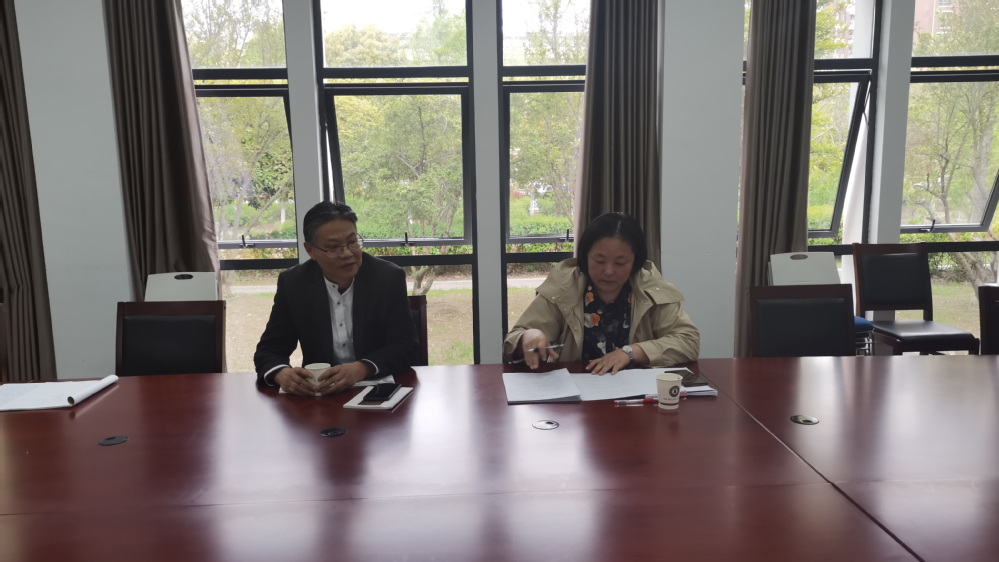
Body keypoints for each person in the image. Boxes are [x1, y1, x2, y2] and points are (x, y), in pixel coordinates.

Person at [503, 212, 699, 374]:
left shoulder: (650, 287)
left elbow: (688, 341)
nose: (608, 271)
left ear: (635, 262)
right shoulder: (563, 286)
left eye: (620, 263)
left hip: (636, 394)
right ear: (585, 256)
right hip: (576, 391)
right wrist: (528, 337)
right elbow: (513, 341)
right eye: (599, 260)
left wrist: (631, 352)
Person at [254, 202, 418, 395]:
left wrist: (363, 368)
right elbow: (270, 349)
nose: (347, 253)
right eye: (333, 247)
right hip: (320, 394)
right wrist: (280, 373)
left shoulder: (387, 278)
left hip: (377, 390)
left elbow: (406, 346)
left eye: (352, 242)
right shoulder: (294, 283)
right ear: (311, 250)